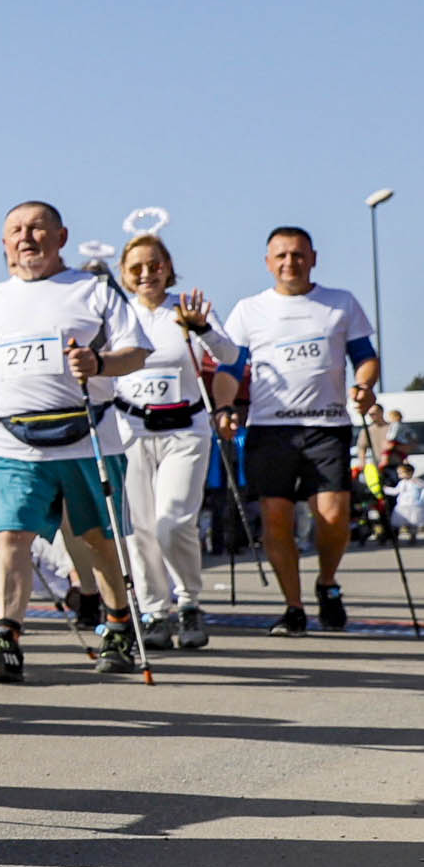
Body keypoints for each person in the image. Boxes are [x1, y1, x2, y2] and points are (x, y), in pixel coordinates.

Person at [0, 202, 149, 679]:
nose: (27, 238)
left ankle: (119, 626)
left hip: (88, 438)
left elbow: (137, 352)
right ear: (4, 243)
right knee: (9, 537)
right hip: (10, 441)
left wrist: (100, 364)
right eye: (16, 231)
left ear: (60, 236)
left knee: (98, 541)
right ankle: (5, 636)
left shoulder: (94, 290)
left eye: (37, 228)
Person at [221, 225, 382, 633]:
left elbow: (364, 356)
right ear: (268, 262)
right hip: (270, 429)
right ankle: (293, 607)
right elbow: (231, 367)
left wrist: (364, 386)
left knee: (333, 516)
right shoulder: (249, 310)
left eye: (297, 254)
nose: (290, 262)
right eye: (281, 256)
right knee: (276, 520)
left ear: (313, 258)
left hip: (326, 424)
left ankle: (327, 583)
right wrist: (223, 406)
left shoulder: (339, 303)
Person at [113, 232, 237, 652]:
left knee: (173, 521)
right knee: (140, 528)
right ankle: (153, 611)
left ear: (168, 267)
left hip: (185, 428)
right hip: (131, 430)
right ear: (125, 275)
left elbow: (231, 355)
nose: (147, 274)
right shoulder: (117, 314)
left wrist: (201, 327)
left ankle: (188, 601)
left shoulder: (184, 310)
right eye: (137, 268)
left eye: (155, 265)